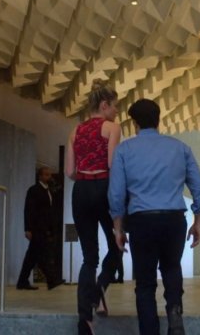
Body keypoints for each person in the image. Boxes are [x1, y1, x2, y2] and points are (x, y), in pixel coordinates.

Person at [108, 99, 200, 335]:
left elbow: (116, 194)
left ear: (134, 124)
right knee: (172, 269)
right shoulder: (180, 148)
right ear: (158, 120)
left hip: (142, 221)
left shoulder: (124, 150)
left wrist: (118, 228)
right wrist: (198, 221)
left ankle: (149, 331)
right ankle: (174, 316)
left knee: (144, 282)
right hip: (174, 220)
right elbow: (198, 187)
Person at [65, 80, 122, 335]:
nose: (117, 112)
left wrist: (85, 177)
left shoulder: (75, 131)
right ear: (104, 104)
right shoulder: (112, 128)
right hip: (103, 187)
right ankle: (99, 290)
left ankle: (84, 319)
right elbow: (113, 165)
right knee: (117, 244)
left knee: (89, 257)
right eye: (115, 107)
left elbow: (69, 172)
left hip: (80, 191)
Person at [15, 166, 63, 290]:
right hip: (37, 228)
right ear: (40, 176)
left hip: (45, 228)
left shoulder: (50, 191)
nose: (48, 177)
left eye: (49, 174)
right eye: (46, 174)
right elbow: (29, 210)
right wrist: (28, 228)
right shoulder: (34, 190)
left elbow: (50, 211)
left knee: (32, 256)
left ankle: (22, 281)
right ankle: (51, 279)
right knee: (40, 255)